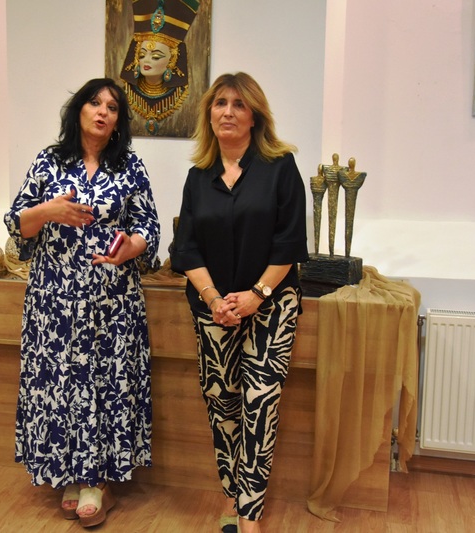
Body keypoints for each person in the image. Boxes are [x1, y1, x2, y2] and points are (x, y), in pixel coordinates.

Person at [4, 77, 160, 528]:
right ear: (79, 111)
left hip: (113, 300)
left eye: (112, 107)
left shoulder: (129, 165)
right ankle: (70, 474)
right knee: (60, 384)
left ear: (118, 121)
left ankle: (96, 482)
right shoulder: (49, 161)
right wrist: (48, 211)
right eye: (94, 103)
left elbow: (149, 227)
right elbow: (17, 224)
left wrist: (131, 247)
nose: (102, 111)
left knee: (104, 385)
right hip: (54, 301)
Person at [170, 72, 309, 533]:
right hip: (213, 311)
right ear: (209, 114)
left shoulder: (280, 167)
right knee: (223, 404)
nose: (227, 112)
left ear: (255, 117)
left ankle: (249, 516)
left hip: (270, 307)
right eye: (220, 103)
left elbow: (289, 243)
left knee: (258, 404)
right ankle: (232, 494)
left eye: (238, 105)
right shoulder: (198, 177)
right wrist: (215, 299)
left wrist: (255, 296)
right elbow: (186, 249)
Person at [119, 0, 199, 134]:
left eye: (155, 56)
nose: (146, 60)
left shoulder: (185, 98)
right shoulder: (125, 93)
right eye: (142, 55)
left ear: (172, 60)